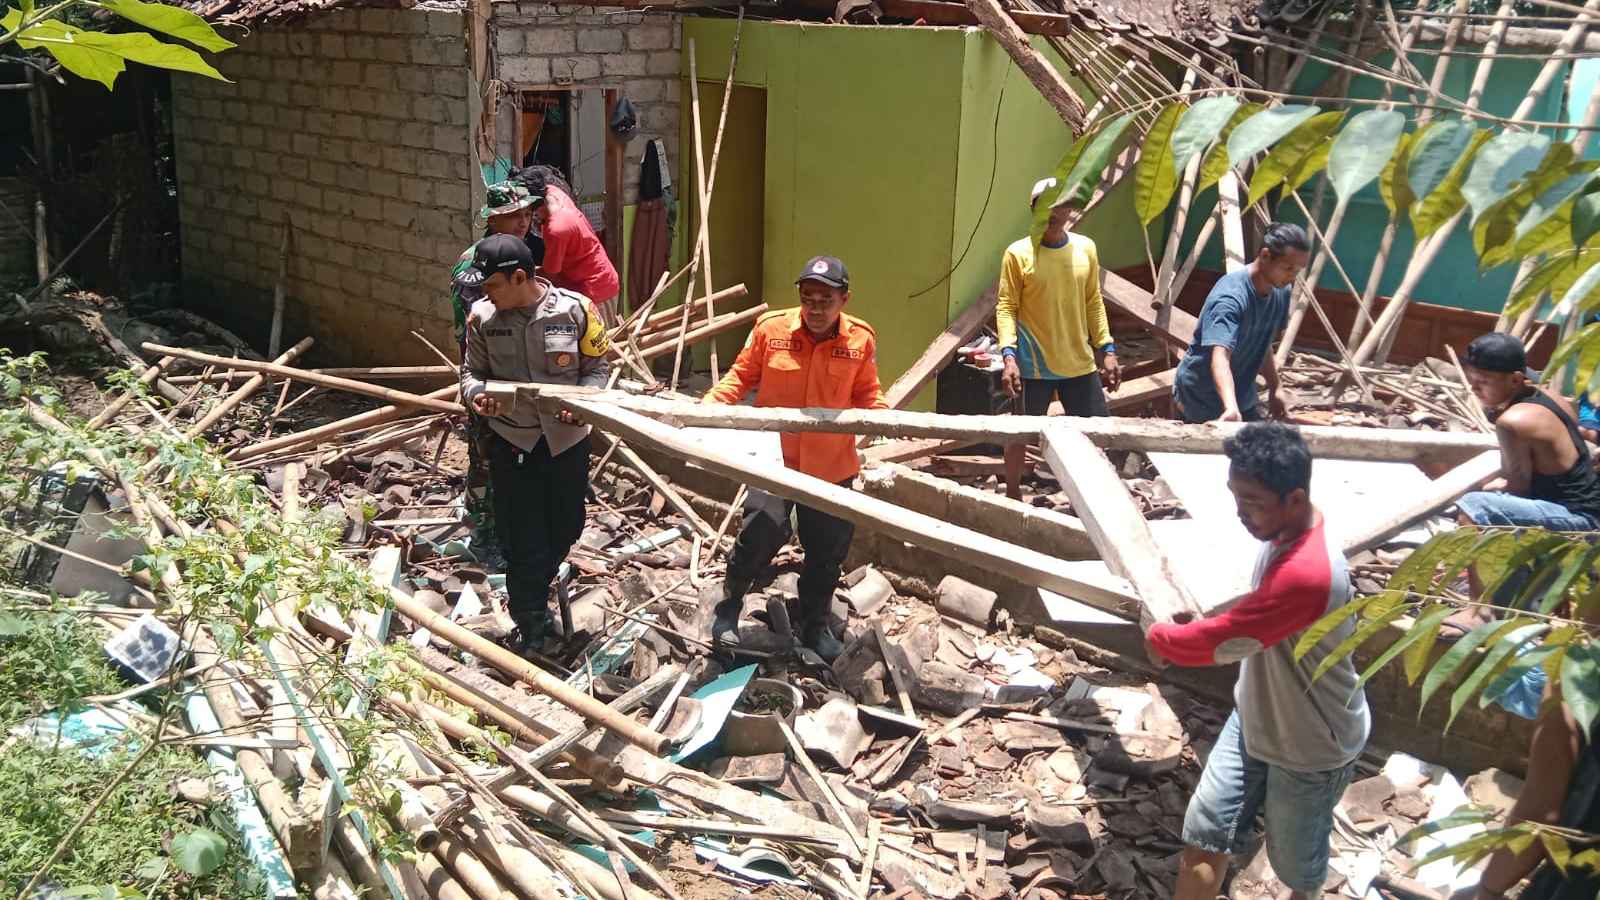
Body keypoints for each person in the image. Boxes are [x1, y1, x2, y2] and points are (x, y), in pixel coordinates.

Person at [1143, 422, 1369, 900]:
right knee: (1206, 829)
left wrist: (1163, 638)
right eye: (1236, 497)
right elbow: (1253, 618)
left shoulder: (1307, 573)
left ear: (1295, 498)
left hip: (1311, 744)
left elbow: (1224, 641)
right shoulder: (1290, 530)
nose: (1240, 513)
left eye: (1253, 503)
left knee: (1296, 866)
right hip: (1256, 716)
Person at [701, 255, 886, 656]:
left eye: (825, 299)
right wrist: (705, 411)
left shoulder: (860, 339)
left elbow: (868, 394)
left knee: (826, 552)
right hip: (775, 459)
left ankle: (814, 624)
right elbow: (740, 377)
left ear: (844, 299)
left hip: (832, 465)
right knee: (759, 533)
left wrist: (884, 423)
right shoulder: (772, 330)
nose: (815, 308)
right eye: (808, 298)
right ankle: (728, 605)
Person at [457, 234, 611, 652]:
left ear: (520, 277)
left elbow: (599, 368)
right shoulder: (482, 319)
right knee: (522, 536)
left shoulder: (577, 310)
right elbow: (470, 375)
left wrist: (584, 405)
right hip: (513, 440)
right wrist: (479, 398)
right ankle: (530, 623)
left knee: (566, 525)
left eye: (492, 285)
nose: (485, 294)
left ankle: (534, 584)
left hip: (567, 441)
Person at [997, 177, 1121, 501]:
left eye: (1060, 204)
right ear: (1033, 209)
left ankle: (1097, 498)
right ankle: (1011, 495)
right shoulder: (1018, 254)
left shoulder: (1085, 249)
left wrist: (1106, 349)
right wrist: (1008, 357)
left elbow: (1093, 300)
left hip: (1078, 362)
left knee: (1098, 433)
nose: (1054, 212)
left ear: (1070, 208)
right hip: (1032, 366)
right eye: (1045, 205)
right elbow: (1007, 307)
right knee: (1020, 433)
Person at [449, 181, 540, 544]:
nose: (523, 221)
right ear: (492, 220)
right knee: (486, 451)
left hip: (521, 370)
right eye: (512, 215)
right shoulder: (475, 265)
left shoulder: (522, 251)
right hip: (488, 372)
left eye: (527, 213)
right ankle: (483, 530)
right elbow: (482, 324)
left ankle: (510, 522)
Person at [1172, 223, 1310, 423]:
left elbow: (1263, 344)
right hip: (1199, 397)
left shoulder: (1281, 290)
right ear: (1264, 256)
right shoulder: (1230, 298)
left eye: (1298, 270)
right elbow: (1220, 357)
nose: (1292, 277)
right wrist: (1230, 407)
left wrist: (1275, 387)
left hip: (1241, 395)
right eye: (1288, 268)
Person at [514, 165, 621, 325]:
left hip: (595, 290)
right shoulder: (552, 191)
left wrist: (523, 277)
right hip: (594, 278)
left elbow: (551, 273)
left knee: (595, 346)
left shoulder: (557, 228)